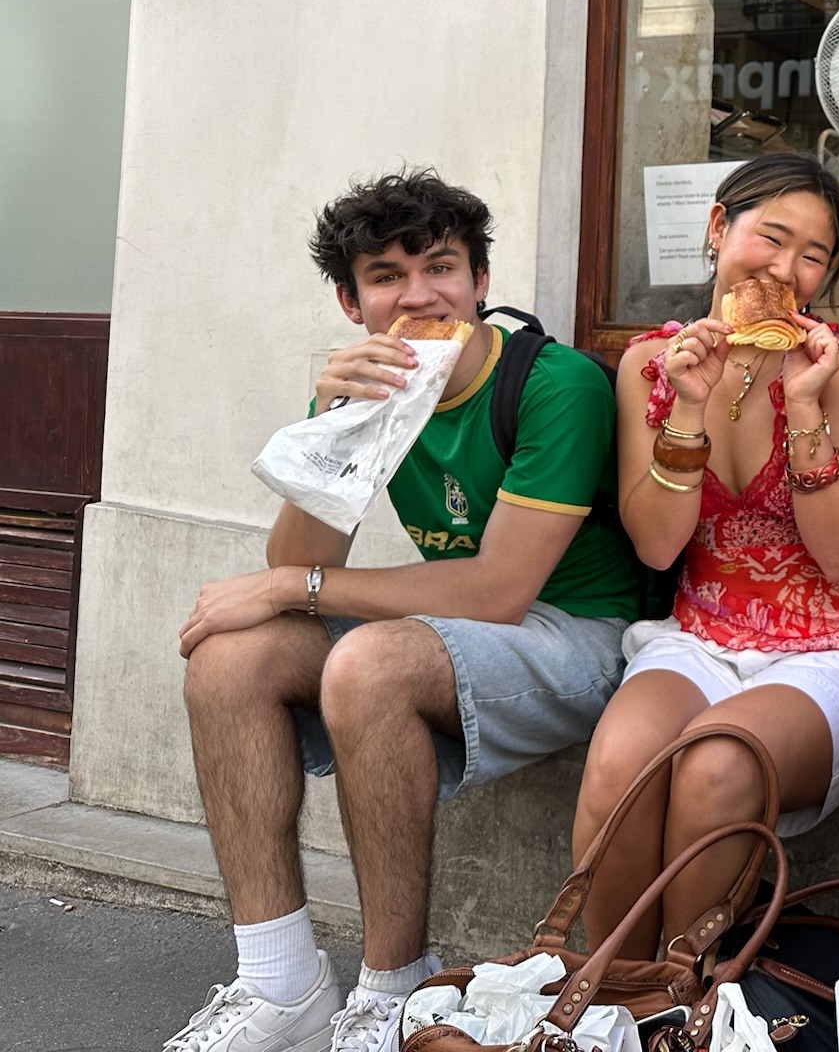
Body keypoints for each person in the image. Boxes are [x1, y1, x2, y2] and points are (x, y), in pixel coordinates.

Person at [171, 170, 639, 1052]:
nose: (419, 296)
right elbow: (303, 560)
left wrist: (291, 591)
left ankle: (393, 992)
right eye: (386, 276)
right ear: (352, 302)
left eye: (441, 267)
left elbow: (498, 590)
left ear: (480, 282)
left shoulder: (555, 385)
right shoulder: (375, 388)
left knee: (367, 659)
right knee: (231, 658)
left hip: (585, 635)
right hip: (452, 633)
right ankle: (279, 983)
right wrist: (335, 417)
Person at [569, 153, 839, 958]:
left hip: (832, 642)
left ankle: (686, 1005)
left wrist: (802, 406)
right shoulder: (650, 367)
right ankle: (605, 1002)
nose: (787, 269)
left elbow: (838, 554)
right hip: (703, 632)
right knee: (621, 761)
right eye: (773, 238)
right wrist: (686, 410)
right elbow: (658, 543)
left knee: (718, 766)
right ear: (719, 228)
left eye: (814, 255)